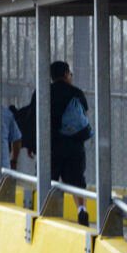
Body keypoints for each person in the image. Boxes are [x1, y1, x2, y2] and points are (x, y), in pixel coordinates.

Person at [47, 60, 94, 223]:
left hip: (51, 146)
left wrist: (32, 145)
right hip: (74, 146)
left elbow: (35, 119)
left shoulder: (45, 92)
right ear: (66, 74)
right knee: (77, 181)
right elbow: (83, 118)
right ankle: (81, 209)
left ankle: (48, 213)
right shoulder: (76, 93)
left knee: (49, 180)